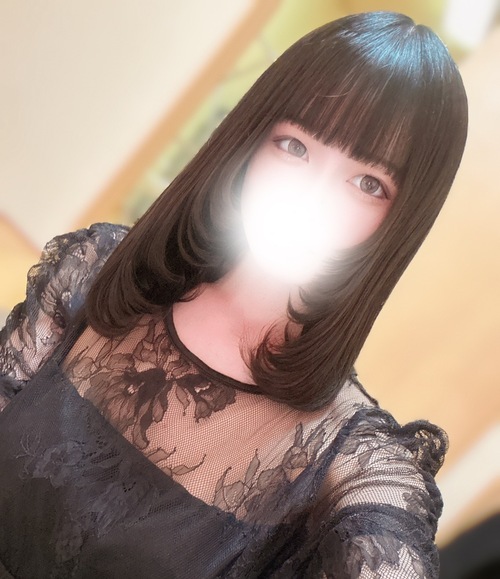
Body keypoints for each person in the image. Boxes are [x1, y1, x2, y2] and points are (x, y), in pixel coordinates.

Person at [0, 11, 467, 579]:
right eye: (294, 146)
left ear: (399, 221)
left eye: (368, 183)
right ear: (250, 141)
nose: (311, 195)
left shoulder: (354, 459)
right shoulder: (92, 271)